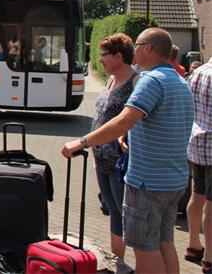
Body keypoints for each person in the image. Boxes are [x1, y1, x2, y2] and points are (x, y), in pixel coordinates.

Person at [62, 27, 194, 274]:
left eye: (137, 45)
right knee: (165, 242)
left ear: (148, 48)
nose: (134, 50)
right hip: (174, 179)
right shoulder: (179, 81)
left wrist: (81, 142)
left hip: (148, 182)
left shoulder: (151, 80)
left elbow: (123, 120)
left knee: (145, 248)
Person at [90, 33, 139, 266]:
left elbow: (137, 117)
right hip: (101, 158)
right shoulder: (111, 79)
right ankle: (116, 261)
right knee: (112, 210)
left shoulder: (136, 82)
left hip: (120, 161)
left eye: (104, 55)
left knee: (124, 212)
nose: (100, 59)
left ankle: (132, 261)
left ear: (119, 57)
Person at [185, 57, 212, 273]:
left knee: (197, 195)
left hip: (197, 144)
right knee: (210, 203)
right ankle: (210, 258)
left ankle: (193, 244)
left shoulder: (198, 72)